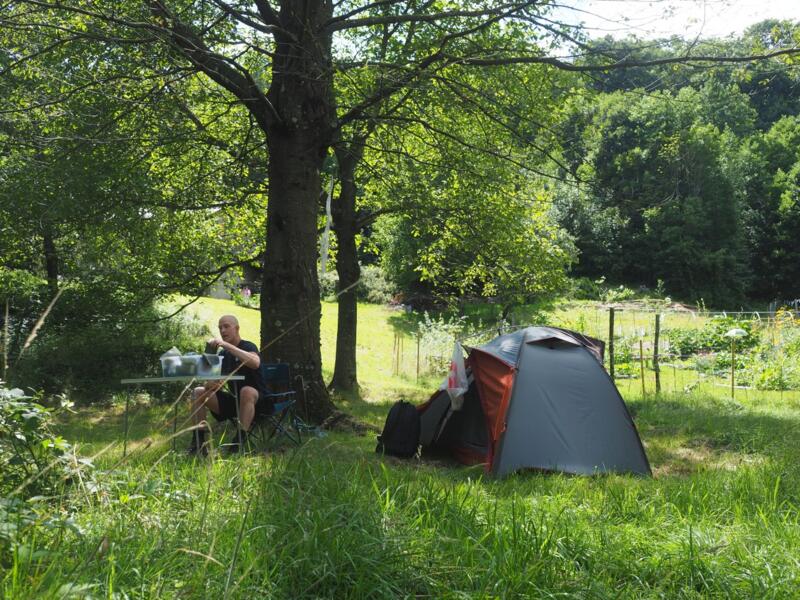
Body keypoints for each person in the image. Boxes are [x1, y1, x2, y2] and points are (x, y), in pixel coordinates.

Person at [187, 314, 269, 455]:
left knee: (247, 391)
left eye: (226, 326)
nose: (222, 331)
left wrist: (228, 346)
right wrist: (210, 382)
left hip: (258, 402)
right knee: (198, 392)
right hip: (234, 401)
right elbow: (214, 383)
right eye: (220, 328)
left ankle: (239, 441)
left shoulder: (248, 346)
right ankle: (199, 443)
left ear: (236, 328)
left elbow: (255, 363)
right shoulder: (223, 355)